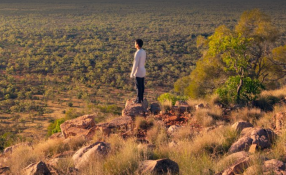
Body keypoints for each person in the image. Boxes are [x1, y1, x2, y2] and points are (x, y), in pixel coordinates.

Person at [130, 39, 146, 103]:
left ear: (137, 44)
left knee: (138, 87)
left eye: (135, 43)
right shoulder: (143, 51)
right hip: (143, 70)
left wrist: (132, 73)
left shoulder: (137, 53)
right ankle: (141, 98)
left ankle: (138, 100)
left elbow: (135, 64)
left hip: (138, 71)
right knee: (142, 85)